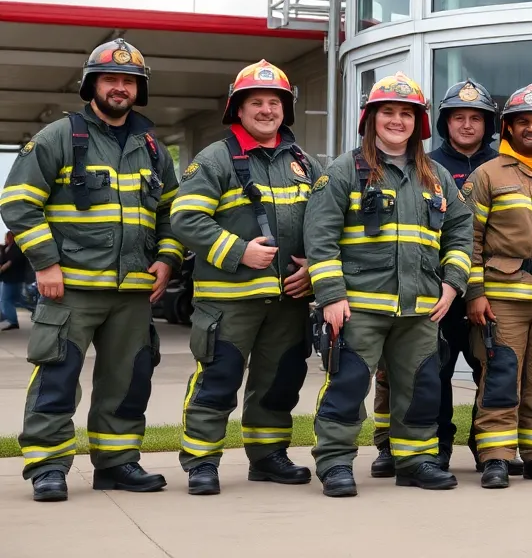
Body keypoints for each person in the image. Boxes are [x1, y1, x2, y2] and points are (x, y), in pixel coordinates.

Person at [0, 39, 182, 501]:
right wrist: (45, 264)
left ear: (138, 91)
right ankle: (47, 466)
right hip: (70, 290)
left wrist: (166, 258)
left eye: (129, 81)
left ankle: (118, 463)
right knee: (57, 377)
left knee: (129, 381)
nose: (120, 87)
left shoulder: (154, 149)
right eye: (110, 79)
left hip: (133, 294)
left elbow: (173, 213)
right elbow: (18, 203)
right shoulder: (59, 137)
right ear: (91, 85)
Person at [304, 73, 473, 497]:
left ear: (418, 123)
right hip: (358, 307)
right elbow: (320, 237)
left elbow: (460, 232)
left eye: (406, 114)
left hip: (419, 309)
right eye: (388, 112)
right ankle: (336, 463)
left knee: (421, 388)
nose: (397, 121)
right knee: (347, 386)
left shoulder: (437, 177)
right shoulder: (344, 170)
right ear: (371, 119)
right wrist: (331, 296)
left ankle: (415, 461)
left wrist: (452, 284)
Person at [170, 61, 321, 495]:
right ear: (238, 108)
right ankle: (201, 461)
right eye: (256, 102)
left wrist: (312, 268)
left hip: (288, 302)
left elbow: (325, 224)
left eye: (275, 102)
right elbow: (185, 218)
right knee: (217, 382)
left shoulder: (304, 163)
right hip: (228, 301)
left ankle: (268, 456)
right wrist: (240, 252)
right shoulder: (216, 158)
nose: (267, 110)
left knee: (280, 384)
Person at [369, 78, 503, 477]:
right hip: (428, 290)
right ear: (443, 123)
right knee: (421, 373)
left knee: (490, 372)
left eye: (475, 118)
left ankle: (488, 448)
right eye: (458, 117)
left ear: (487, 124)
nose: (467, 125)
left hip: (486, 291)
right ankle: (417, 448)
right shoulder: (424, 167)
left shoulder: (499, 167)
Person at [465, 84, 532, 488]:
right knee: (501, 375)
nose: (531, 128)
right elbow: (468, 239)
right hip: (502, 298)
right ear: (507, 128)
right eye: (522, 122)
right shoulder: (486, 174)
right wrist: (474, 293)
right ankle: (495, 456)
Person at [1, 230, 31, 329]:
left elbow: (10, 262)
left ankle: (12, 320)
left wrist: (1, 269)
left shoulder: (17, 249)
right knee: (15, 299)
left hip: (13, 278)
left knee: (7, 300)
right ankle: (6, 318)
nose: (5, 238)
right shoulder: (6, 248)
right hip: (8, 278)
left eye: (7, 237)